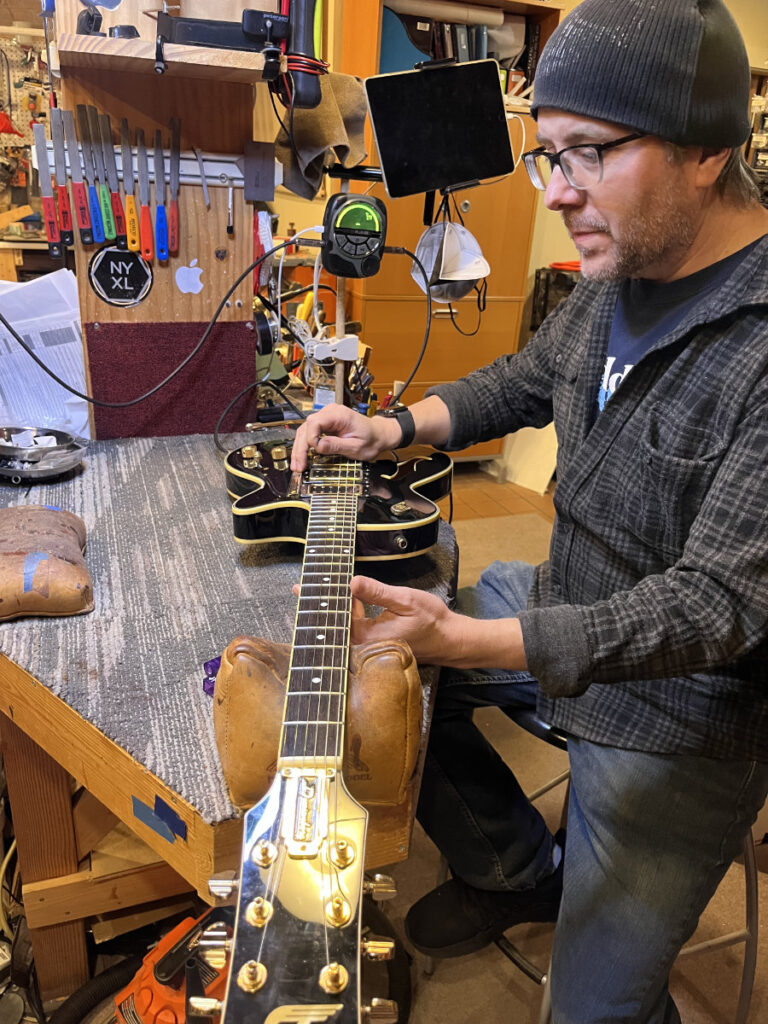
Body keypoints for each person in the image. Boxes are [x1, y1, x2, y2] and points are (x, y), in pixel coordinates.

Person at [291, 0, 768, 1020]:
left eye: (587, 154)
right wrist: (390, 428)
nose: (557, 194)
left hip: (681, 717)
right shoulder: (622, 265)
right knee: (400, 676)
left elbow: (712, 606)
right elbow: (519, 379)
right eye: (549, 155)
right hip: (565, 597)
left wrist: (476, 634)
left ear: (707, 152)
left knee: (592, 1011)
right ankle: (518, 870)